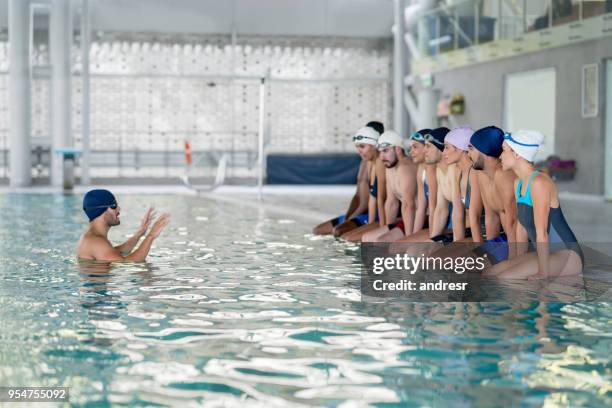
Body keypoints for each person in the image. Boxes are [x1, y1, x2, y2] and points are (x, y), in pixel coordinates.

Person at [485, 130, 583, 279]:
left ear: (517, 154)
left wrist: (542, 273)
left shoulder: (539, 183)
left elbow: (542, 232)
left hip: (567, 254)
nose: (500, 156)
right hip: (546, 253)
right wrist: (517, 261)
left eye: (504, 151)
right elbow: (521, 228)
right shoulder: (518, 183)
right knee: (489, 274)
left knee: (504, 279)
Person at [314, 121, 385, 236]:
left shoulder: (379, 163)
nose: (359, 150)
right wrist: (348, 216)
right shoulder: (365, 162)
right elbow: (357, 195)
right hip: (360, 212)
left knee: (339, 232)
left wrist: (352, 219)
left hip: (369, 213)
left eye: (363, 145)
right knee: (318, 230)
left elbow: (371, 201)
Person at [468, 126, 518, 265]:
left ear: (485, 152)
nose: (468, 154)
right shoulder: (482, 175)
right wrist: (486, 250)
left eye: (471, 149)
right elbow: (491, 218)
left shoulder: (504, 177)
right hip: (506, 240)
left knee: (474, 269)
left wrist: (513, 262)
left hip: (524, 244)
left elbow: (513, 222)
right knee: (459, 264)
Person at [77, 189, 170, 261]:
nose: (119, 209)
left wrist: (140, 232)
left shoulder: (92, 238)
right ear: (101, 210)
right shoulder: (96, 242)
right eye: (114, 205)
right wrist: (151, 235)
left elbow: (120, 251)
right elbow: (129, 263)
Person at [362, 130, 417, 242]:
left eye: (385, 151)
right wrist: (388, 227)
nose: (381, 157)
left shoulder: (405, 168)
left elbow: (409, 205)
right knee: (366, 238)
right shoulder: (390, 167)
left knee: (381, 242)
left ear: (397, 149)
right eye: (380, 152)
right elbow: (391, 203)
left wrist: (409, 238)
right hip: (409, 219)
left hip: (420, 221)